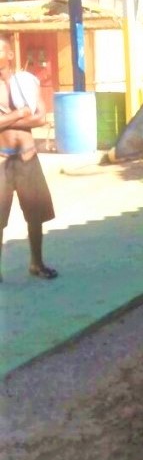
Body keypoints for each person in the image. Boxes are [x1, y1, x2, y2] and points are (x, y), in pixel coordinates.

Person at [0, 34, 58, 282]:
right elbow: (30, 115)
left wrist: (10, 117)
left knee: (35, 216)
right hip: (1, 160)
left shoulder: (25, 82)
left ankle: (37, 263)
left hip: (28, 158)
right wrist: (22, 113)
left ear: (10, 54)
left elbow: (41, 117)